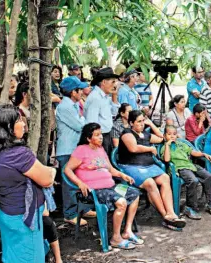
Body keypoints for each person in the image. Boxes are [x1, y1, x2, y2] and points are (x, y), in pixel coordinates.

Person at [0, 104, 57, 263]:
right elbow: (47, 179)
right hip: (22, 217)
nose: (24, 123)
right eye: (19, 120)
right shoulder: (18, 154)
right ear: (9, 127)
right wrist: (52, 171)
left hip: (5, 211)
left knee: (11, 256)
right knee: (30, 258)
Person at [65, 123, 142, 249]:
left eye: (100, 134)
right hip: (94, 191)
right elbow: (67, 169)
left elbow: (111, 169)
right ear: (88, 138)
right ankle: (116, 238)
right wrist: (80, 183)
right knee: (121, 202)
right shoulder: (81, 150)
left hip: (110, 187)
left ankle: (127, 231)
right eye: (97, 135)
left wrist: (122, 175)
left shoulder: (101, 149)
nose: (101, 137)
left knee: (134, 194)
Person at [118, 110, 186, 229]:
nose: (142, 124)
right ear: (131, 123)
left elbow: (161, 138)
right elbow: (133, 148)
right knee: (150, 183)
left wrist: (151, 124)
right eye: (139, 121)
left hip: (149, 166)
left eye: (143, 121)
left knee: (165, 178)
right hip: (132, 167)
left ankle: (171, 212)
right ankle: (166, 216)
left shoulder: (145, 134)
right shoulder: (127, 133)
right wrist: (149, 149)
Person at [55, 76, 95, 225]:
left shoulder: (72, 105)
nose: (82, 92)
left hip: (74, 149)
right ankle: (70, 213)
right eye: (80, 90)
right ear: (73, 92)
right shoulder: (65, 107)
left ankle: (83, 208)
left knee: (81, 179)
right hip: (67, 150)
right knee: (69, 183)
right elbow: (81, 126)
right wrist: (83, 121)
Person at [160, 125, 211, 219]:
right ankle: (190, 208)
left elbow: (193, 152)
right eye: (169, 134)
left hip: (190, 165)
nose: (172, 136)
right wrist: (167, 145)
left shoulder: (181, 144)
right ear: (164, 136)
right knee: (193, 180)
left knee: (208, 176)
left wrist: (203, 154)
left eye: (174, 134)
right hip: (180, 168)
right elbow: (167, 159)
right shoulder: (164, 147)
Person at [84, 67, 121, 156]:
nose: (115, 85)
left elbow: (114, 112)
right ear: (104, 82)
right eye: (113, 82)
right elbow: (91, 124)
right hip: (99, 137)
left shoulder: (104, 97)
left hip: (106, 136)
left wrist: (114, 95)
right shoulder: (95, 97)